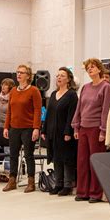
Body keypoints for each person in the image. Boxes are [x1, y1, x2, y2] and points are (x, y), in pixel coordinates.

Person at [71, 58, 110, 203]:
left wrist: (103, 131)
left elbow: (106, 111)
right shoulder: (85, 87)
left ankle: (95, 193)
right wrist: (76, 125)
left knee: (94, 161)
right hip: (83, 127)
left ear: (99, 69)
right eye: (88, 68)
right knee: (82, 161)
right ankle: (82, 191)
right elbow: (79, 108)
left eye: (93, 67)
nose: (90, 69)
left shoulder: (105, 87)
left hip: (96, 128)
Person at [2, 64, 42, 193]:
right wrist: (6, 127)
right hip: (14, 128)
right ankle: (12, 180)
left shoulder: (34, 90)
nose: (18, 74)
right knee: (13, 155)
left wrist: (36, 128)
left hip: (28, 128)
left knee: (28, 155)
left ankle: (31, 182)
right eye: (18, 72)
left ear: (28, 76)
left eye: (22, 72)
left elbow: (37, 110)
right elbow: (9, 110)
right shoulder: (13, 91)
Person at [41, 67, 78, 196]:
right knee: (56, 158)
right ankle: (58, 183)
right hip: (52, 132)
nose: (59, 78)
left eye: (62, 75)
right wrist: (44, 129)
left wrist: (68, 131)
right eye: (58, 75)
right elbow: (48, 114)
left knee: (66, 159)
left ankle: (68, 185)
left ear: (68, 79)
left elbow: (71, 115)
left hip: (65, 132)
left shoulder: (72, 95)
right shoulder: (52, 94)